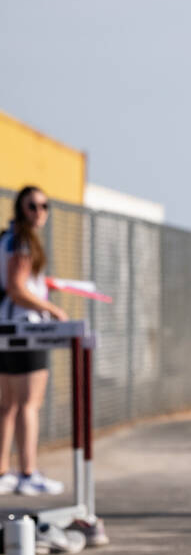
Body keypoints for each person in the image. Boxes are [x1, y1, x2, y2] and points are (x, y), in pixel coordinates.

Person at [0, 185, 68, 496]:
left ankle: (4, 472)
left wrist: (43, 286)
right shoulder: (22, 240)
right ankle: (28, 472)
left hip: (7, 327)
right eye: (32, 206)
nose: (39, 212)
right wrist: (51, 308)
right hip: (26, 330)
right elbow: (16, 288)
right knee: (29, 404)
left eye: (44, 205)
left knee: (9, 405)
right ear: (20, 208)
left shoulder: (8, 238)